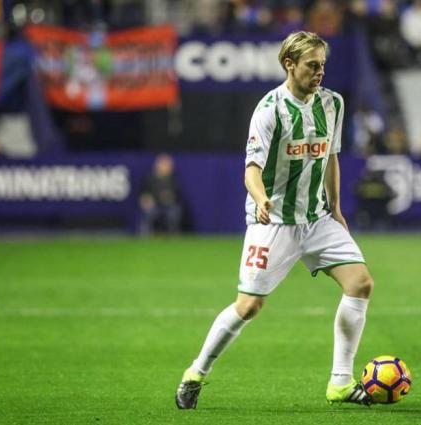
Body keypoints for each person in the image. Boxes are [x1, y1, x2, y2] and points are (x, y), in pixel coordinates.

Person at [175, 31, 375, 409]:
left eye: (323, 66)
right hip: (274, 223)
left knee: (361, 283)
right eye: (312, 66)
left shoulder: (332, 103)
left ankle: (341, 383)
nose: (320, 73)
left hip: (317, 219)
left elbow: (331, 157)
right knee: (248, 306)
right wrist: (261, 197)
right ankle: (195, 373)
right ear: (290, 64)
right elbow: (251, 168)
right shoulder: (269, 110)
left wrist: (336, 207)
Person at [139, 153, 183, 235]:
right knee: (149, 213)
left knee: (174, 213)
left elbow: (178, 195)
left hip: (169, 206)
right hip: (154, 206)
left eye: (168, 165)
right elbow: (143, 193)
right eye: (164, 164)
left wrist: (170, 197)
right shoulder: (149, 178)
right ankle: (146, 234)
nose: (167, 167)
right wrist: (146, 200)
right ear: (158, 165)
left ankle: (172, 234)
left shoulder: (173, 179)